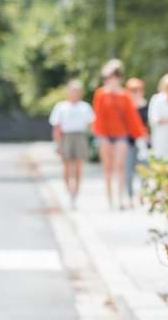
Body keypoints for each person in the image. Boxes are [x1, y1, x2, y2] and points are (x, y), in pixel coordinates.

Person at [90, 60, 146, 210]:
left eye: (114, 76)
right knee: (107, 167)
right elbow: (98, 116)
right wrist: (99, 135)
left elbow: (131, 117)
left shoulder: (124, 96)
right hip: (105, 134)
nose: (111, 80)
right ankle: (110, 200)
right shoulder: (101, 94)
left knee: (120, 166)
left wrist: (140, 133)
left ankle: (120, 199)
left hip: (121, 133)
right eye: (108, 77)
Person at [49, 80, 95, 209]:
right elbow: (56, 127)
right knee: (67, 166)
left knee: (79, 167)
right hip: (66, 137)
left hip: (80, 136)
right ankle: (69, 191)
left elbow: (91, 124)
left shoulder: (85, 107)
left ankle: (76, 194)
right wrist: (57, 143)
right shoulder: (61, 106)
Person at [123, 77, 150, 208]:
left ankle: (143, 195)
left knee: (144, 170)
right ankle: (129, 197)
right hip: (128, 141)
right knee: (128, 170)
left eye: (137, 90)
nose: (135, 92)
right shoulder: (125, 106)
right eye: (132, 90)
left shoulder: (146, 105)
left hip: (142, 142)